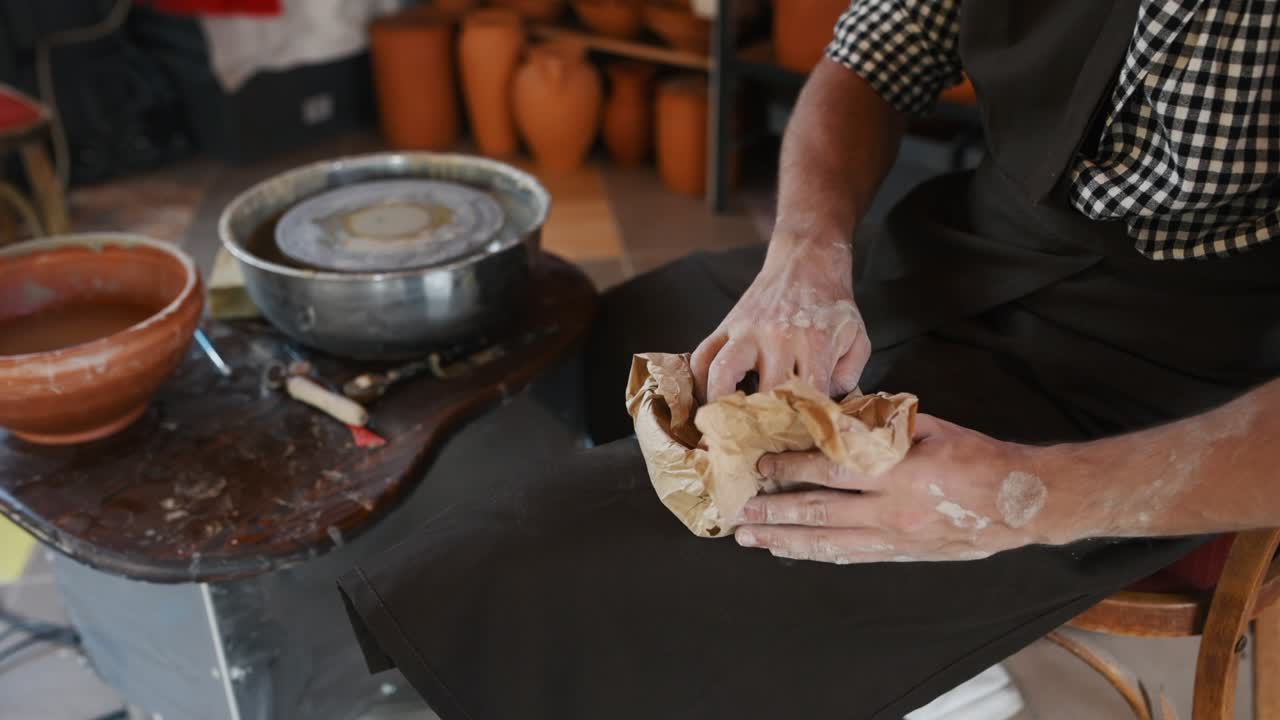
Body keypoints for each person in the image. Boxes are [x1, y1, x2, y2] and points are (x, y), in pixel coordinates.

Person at [338, 1, 1280, 718]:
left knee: (535, 570)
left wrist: (1025, 499)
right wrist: (804, 256)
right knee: (606, 334)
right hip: (971, 247)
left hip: (1179, 373)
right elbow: (867, 59)